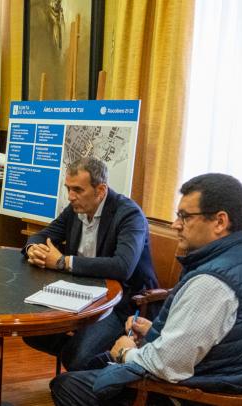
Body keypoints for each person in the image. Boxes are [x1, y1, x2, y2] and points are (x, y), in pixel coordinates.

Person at [50, 173, 242, 405]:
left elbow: (165, 366)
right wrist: (154, 330)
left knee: (67, 385)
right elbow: (227, 331)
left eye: (185, 217)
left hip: (197, 394)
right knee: (92, 363)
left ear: (220, 222)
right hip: (234, 377)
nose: (176, 225)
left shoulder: (212, 283)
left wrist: (125, 352)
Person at [22, 157, 158, 371]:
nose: (70, 196)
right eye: (68, 188)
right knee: (32, 331)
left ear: (100, 190)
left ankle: (90, 364)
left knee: (80, 357)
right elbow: (42, 236)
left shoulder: (129, 215)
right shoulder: (75, 209)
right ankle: (85, 360)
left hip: (119, 303)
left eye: (77, 190)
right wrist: (33, 248)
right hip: (78, 293)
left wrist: (63, 262)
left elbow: (122, 266)